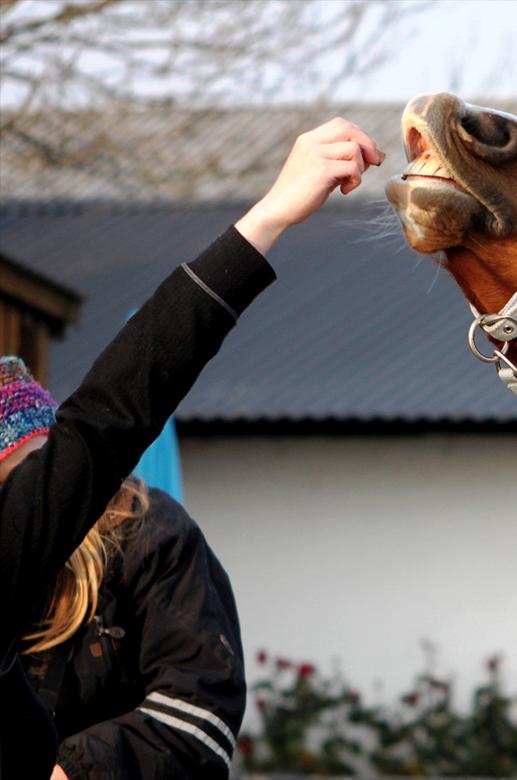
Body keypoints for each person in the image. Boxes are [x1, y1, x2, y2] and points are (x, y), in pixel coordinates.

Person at [0, 116, 385, 779]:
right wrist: (267, 216)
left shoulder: (144, 531)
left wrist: (79, 769)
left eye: (42, 472)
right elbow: (111, 413)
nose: (38, 490)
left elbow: (115, 409)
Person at [1, 358, 245, 778]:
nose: (23, 507)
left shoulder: (151, 535)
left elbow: (201, 712)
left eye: (31, 478)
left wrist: (76, 771)